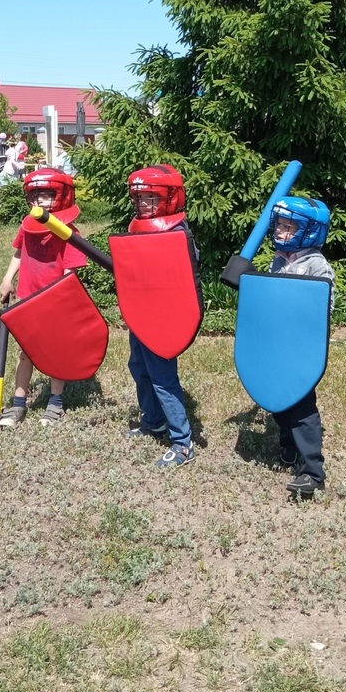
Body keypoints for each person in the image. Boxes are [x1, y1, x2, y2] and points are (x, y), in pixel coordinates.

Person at [0, 167, 87, 427]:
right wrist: (7, 279)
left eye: (46, 195)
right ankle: (18, 403)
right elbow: (19, 252)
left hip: (54, 303)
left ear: (61, 196)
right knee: (25, 352)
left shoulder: (69, 232)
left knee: (55, 352)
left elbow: (70, 272)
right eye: (35, 195)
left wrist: (58, 297)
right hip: (27, 299)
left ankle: (55, 402)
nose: (40, 200)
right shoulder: (28, 226)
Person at [124, 164, 197, 468]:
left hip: (163, 319)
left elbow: (181, 281)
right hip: (141, 314)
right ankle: (153, 421)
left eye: (150, 198)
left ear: (170, 198)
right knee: (139, 367)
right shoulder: (139, 228)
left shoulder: (177, 233)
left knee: (163, 378)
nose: (143, 204)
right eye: (140, 198)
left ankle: (183, 443)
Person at [265, 196, 334, 497]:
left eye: (288, 227)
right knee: (278, 400)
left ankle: (313, 471)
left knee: (303, 407)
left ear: (308, 231)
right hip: (278, 344)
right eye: (279, 225)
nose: (280, 231)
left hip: (302, 347)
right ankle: (289, 445)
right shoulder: (279, 259)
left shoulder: (317, 266)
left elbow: (323, 308)